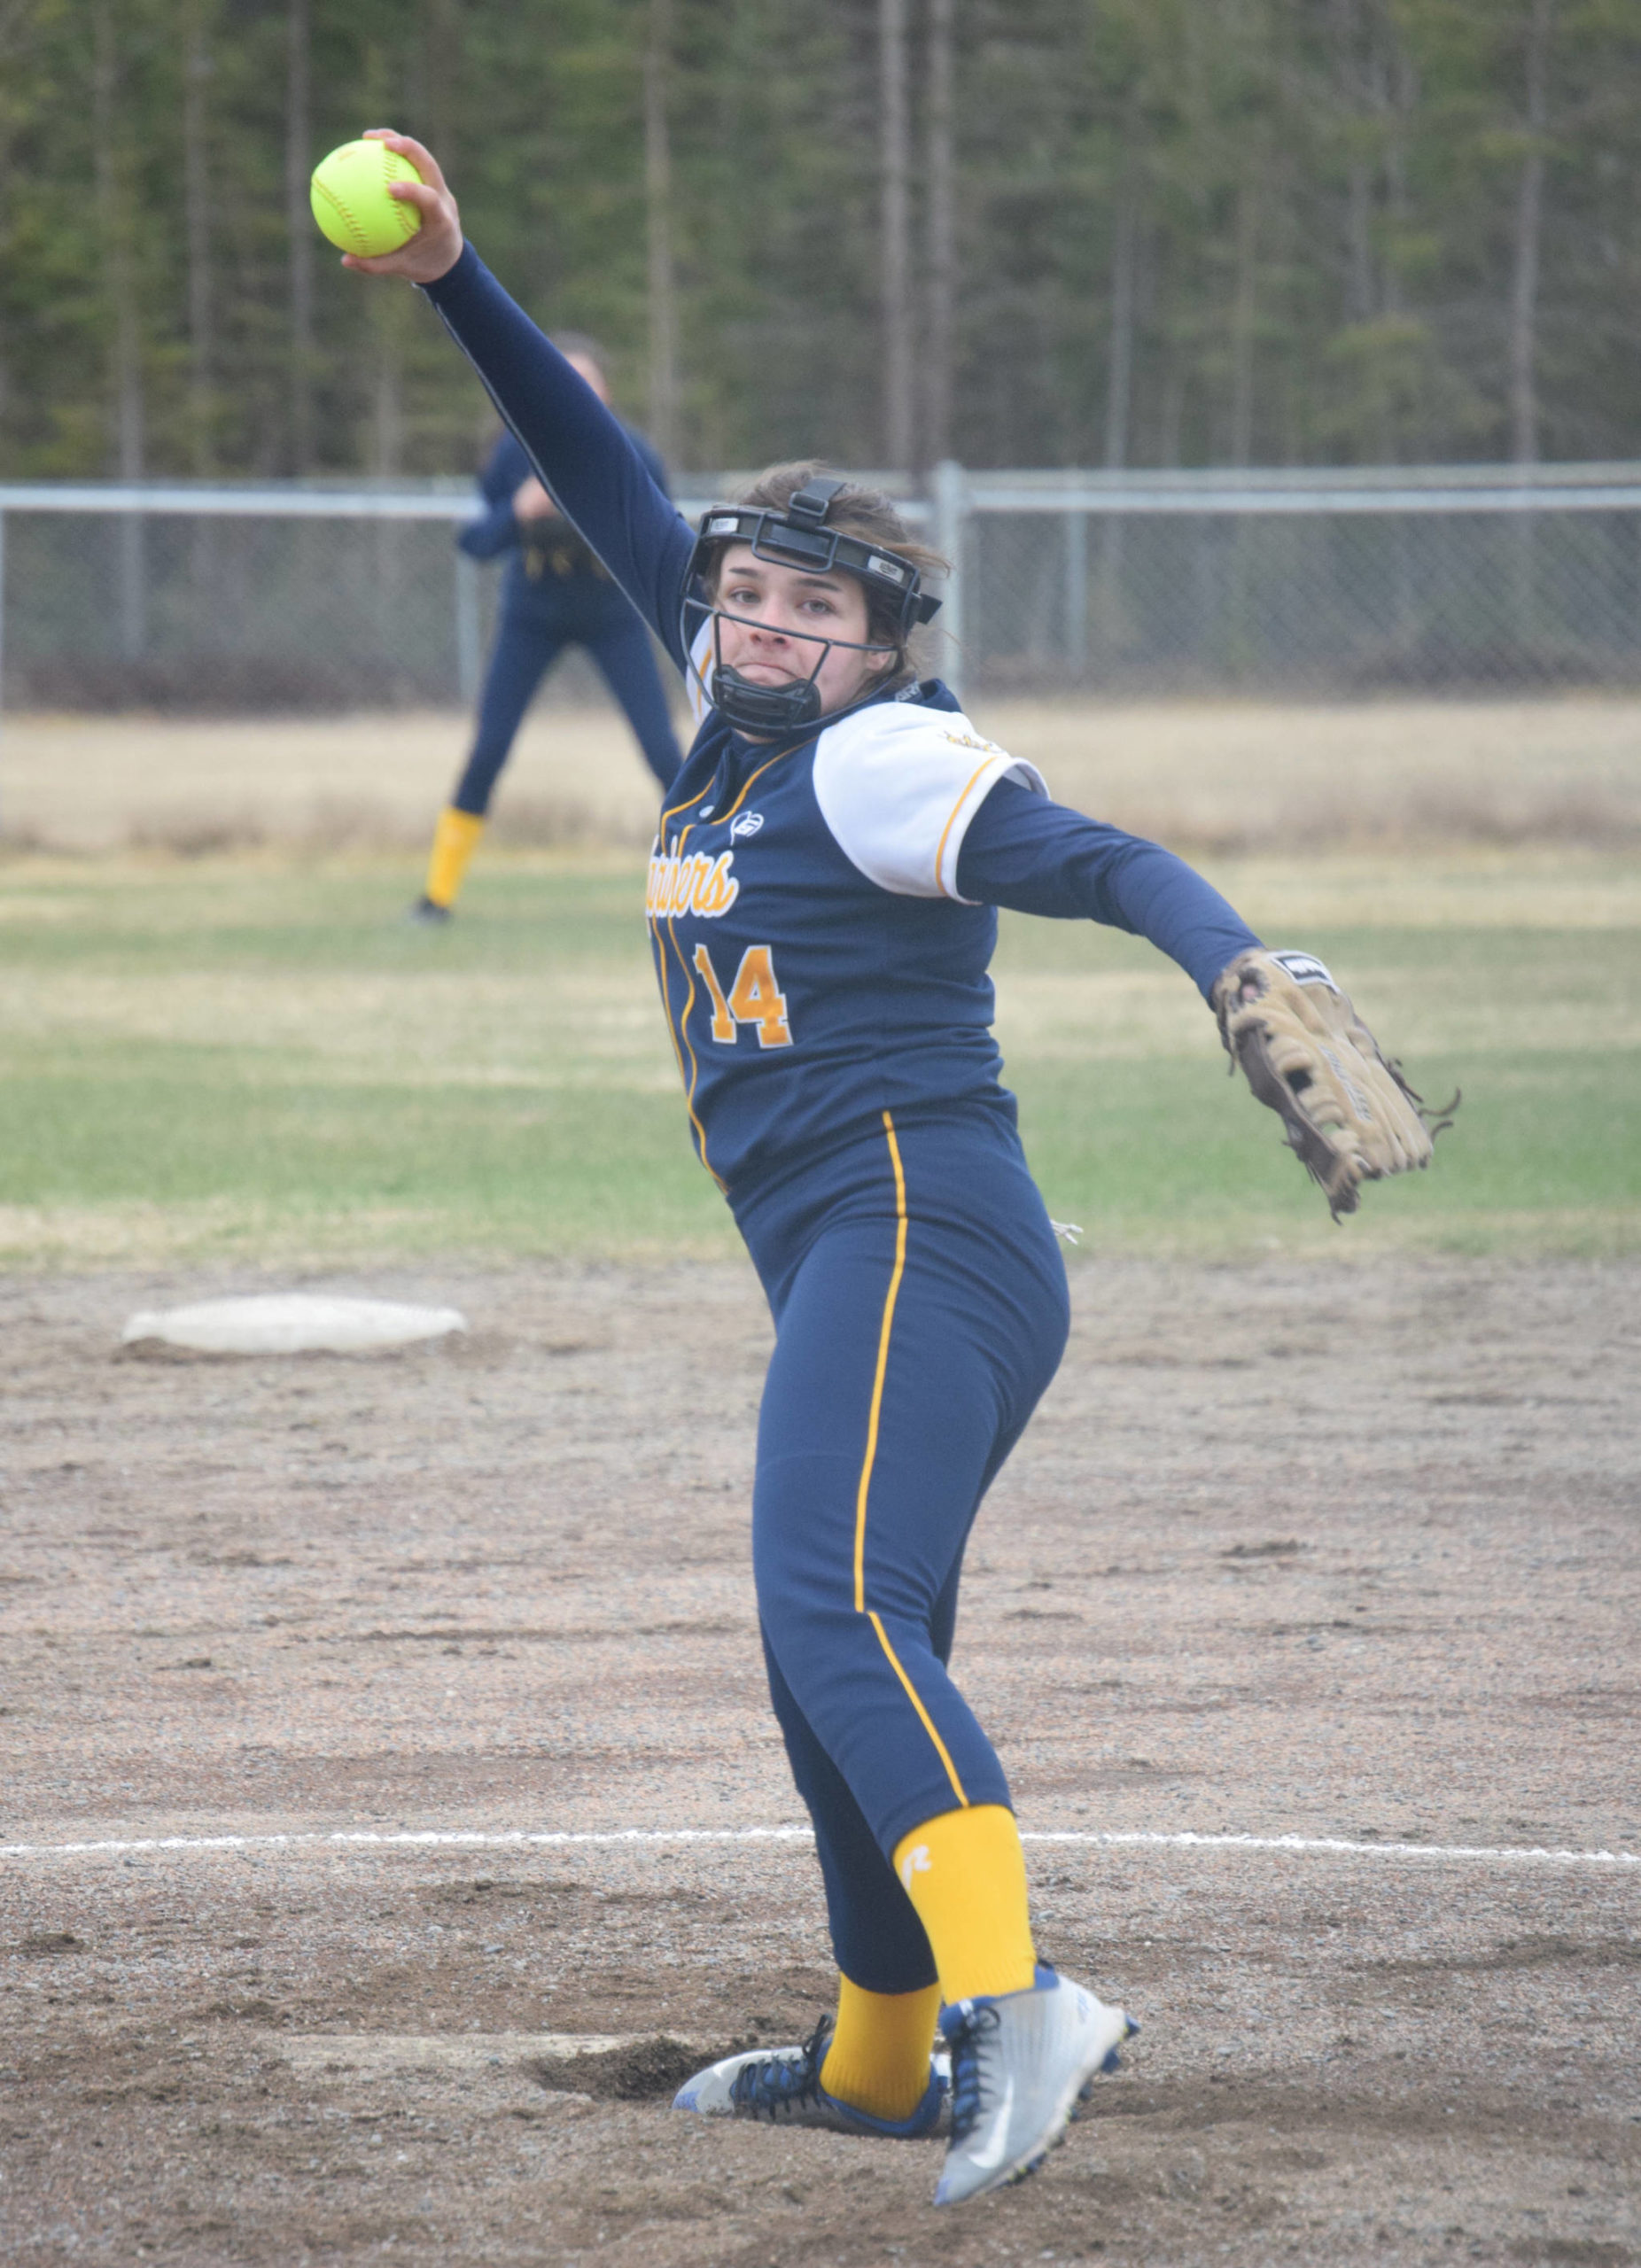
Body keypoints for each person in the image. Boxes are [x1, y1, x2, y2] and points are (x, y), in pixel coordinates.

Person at [336, 132, 1390, 2210]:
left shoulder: (882, 751)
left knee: (833, 1614)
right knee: (833, 1635)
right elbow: (602, 458)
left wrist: (1233, 969)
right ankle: (881, 2053)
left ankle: (1018, 2004)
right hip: (852, 1241)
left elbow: (1095, 854)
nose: (758, 622)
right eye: (743, 593)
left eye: (810, 607)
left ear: (878, 643)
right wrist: (460, 276)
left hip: (920, 1223)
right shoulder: (727, 705)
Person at [409, 336, 682, 924]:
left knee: (664, 752)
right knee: (488, 750)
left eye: (589, 382)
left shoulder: (633, 452)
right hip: (532, 613)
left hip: (613, 614)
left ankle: (729, 878)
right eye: (564, 379)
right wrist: (520, 510)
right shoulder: (515, 451)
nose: (577, 393)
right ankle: (435, 900)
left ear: (607, 393)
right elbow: (475, 542)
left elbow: (666, 544)